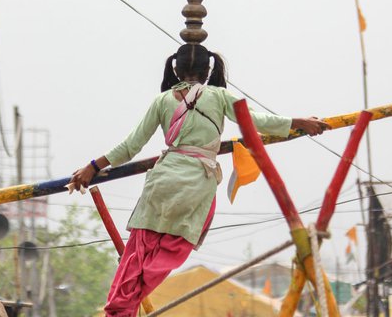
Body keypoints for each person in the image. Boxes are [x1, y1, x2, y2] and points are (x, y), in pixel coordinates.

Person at [67, 43, 327, 317]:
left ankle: (120, 308)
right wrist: (299, 122)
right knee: (167, 254)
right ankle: (127, 306)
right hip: (196, 185)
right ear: (209, 69)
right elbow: (257, 121)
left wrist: (92, 167)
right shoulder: (219, 96)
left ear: (176, 69)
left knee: (138, 253)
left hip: (161, 183)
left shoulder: (163, 100)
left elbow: (131, 146)